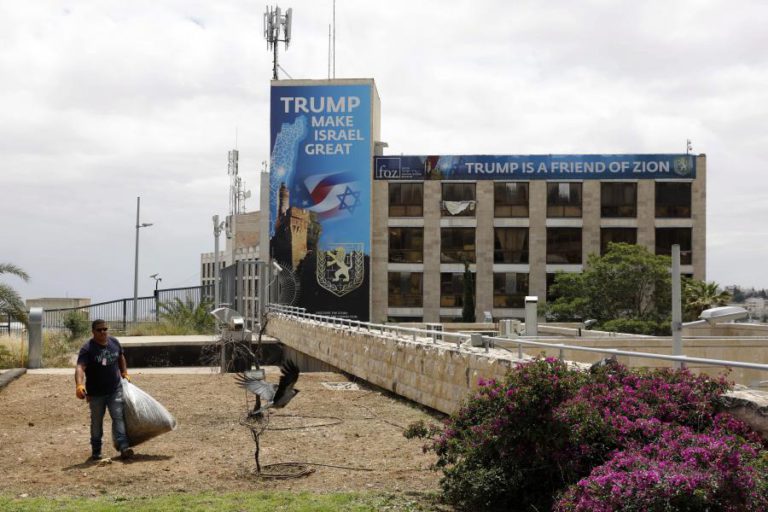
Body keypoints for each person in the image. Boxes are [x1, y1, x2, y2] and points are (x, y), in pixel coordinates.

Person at [75, 319, 134, 460]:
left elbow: (121, 356)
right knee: (96, 422)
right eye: (99, 330)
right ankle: (96, 450)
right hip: (96, 394)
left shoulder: (114, 342)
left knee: (118, 417)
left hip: (115, 389)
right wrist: (79, 385)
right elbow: (80, 367)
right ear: (93, 332)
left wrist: (124, 372)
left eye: (105, 329)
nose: (103, 332)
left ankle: (124, 447)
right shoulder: (87, 349)